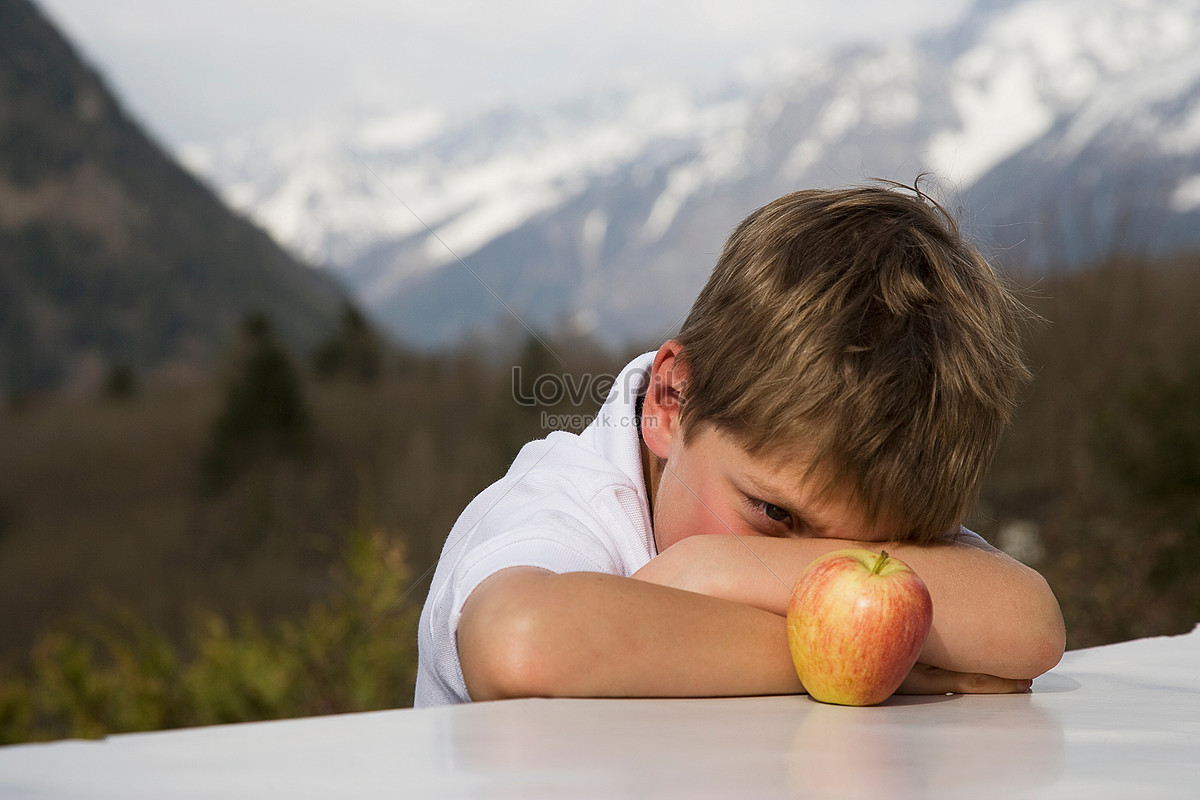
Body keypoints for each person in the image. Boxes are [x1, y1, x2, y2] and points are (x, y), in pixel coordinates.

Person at [415, 181, 1066, 707]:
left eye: (864, 550)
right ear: (671, 401)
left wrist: (720, 567)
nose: (817, 570)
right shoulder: (562, 509)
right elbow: (519, 640)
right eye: (775, 516)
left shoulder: (795, 485)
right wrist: (862, 662)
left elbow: (1030, 625)